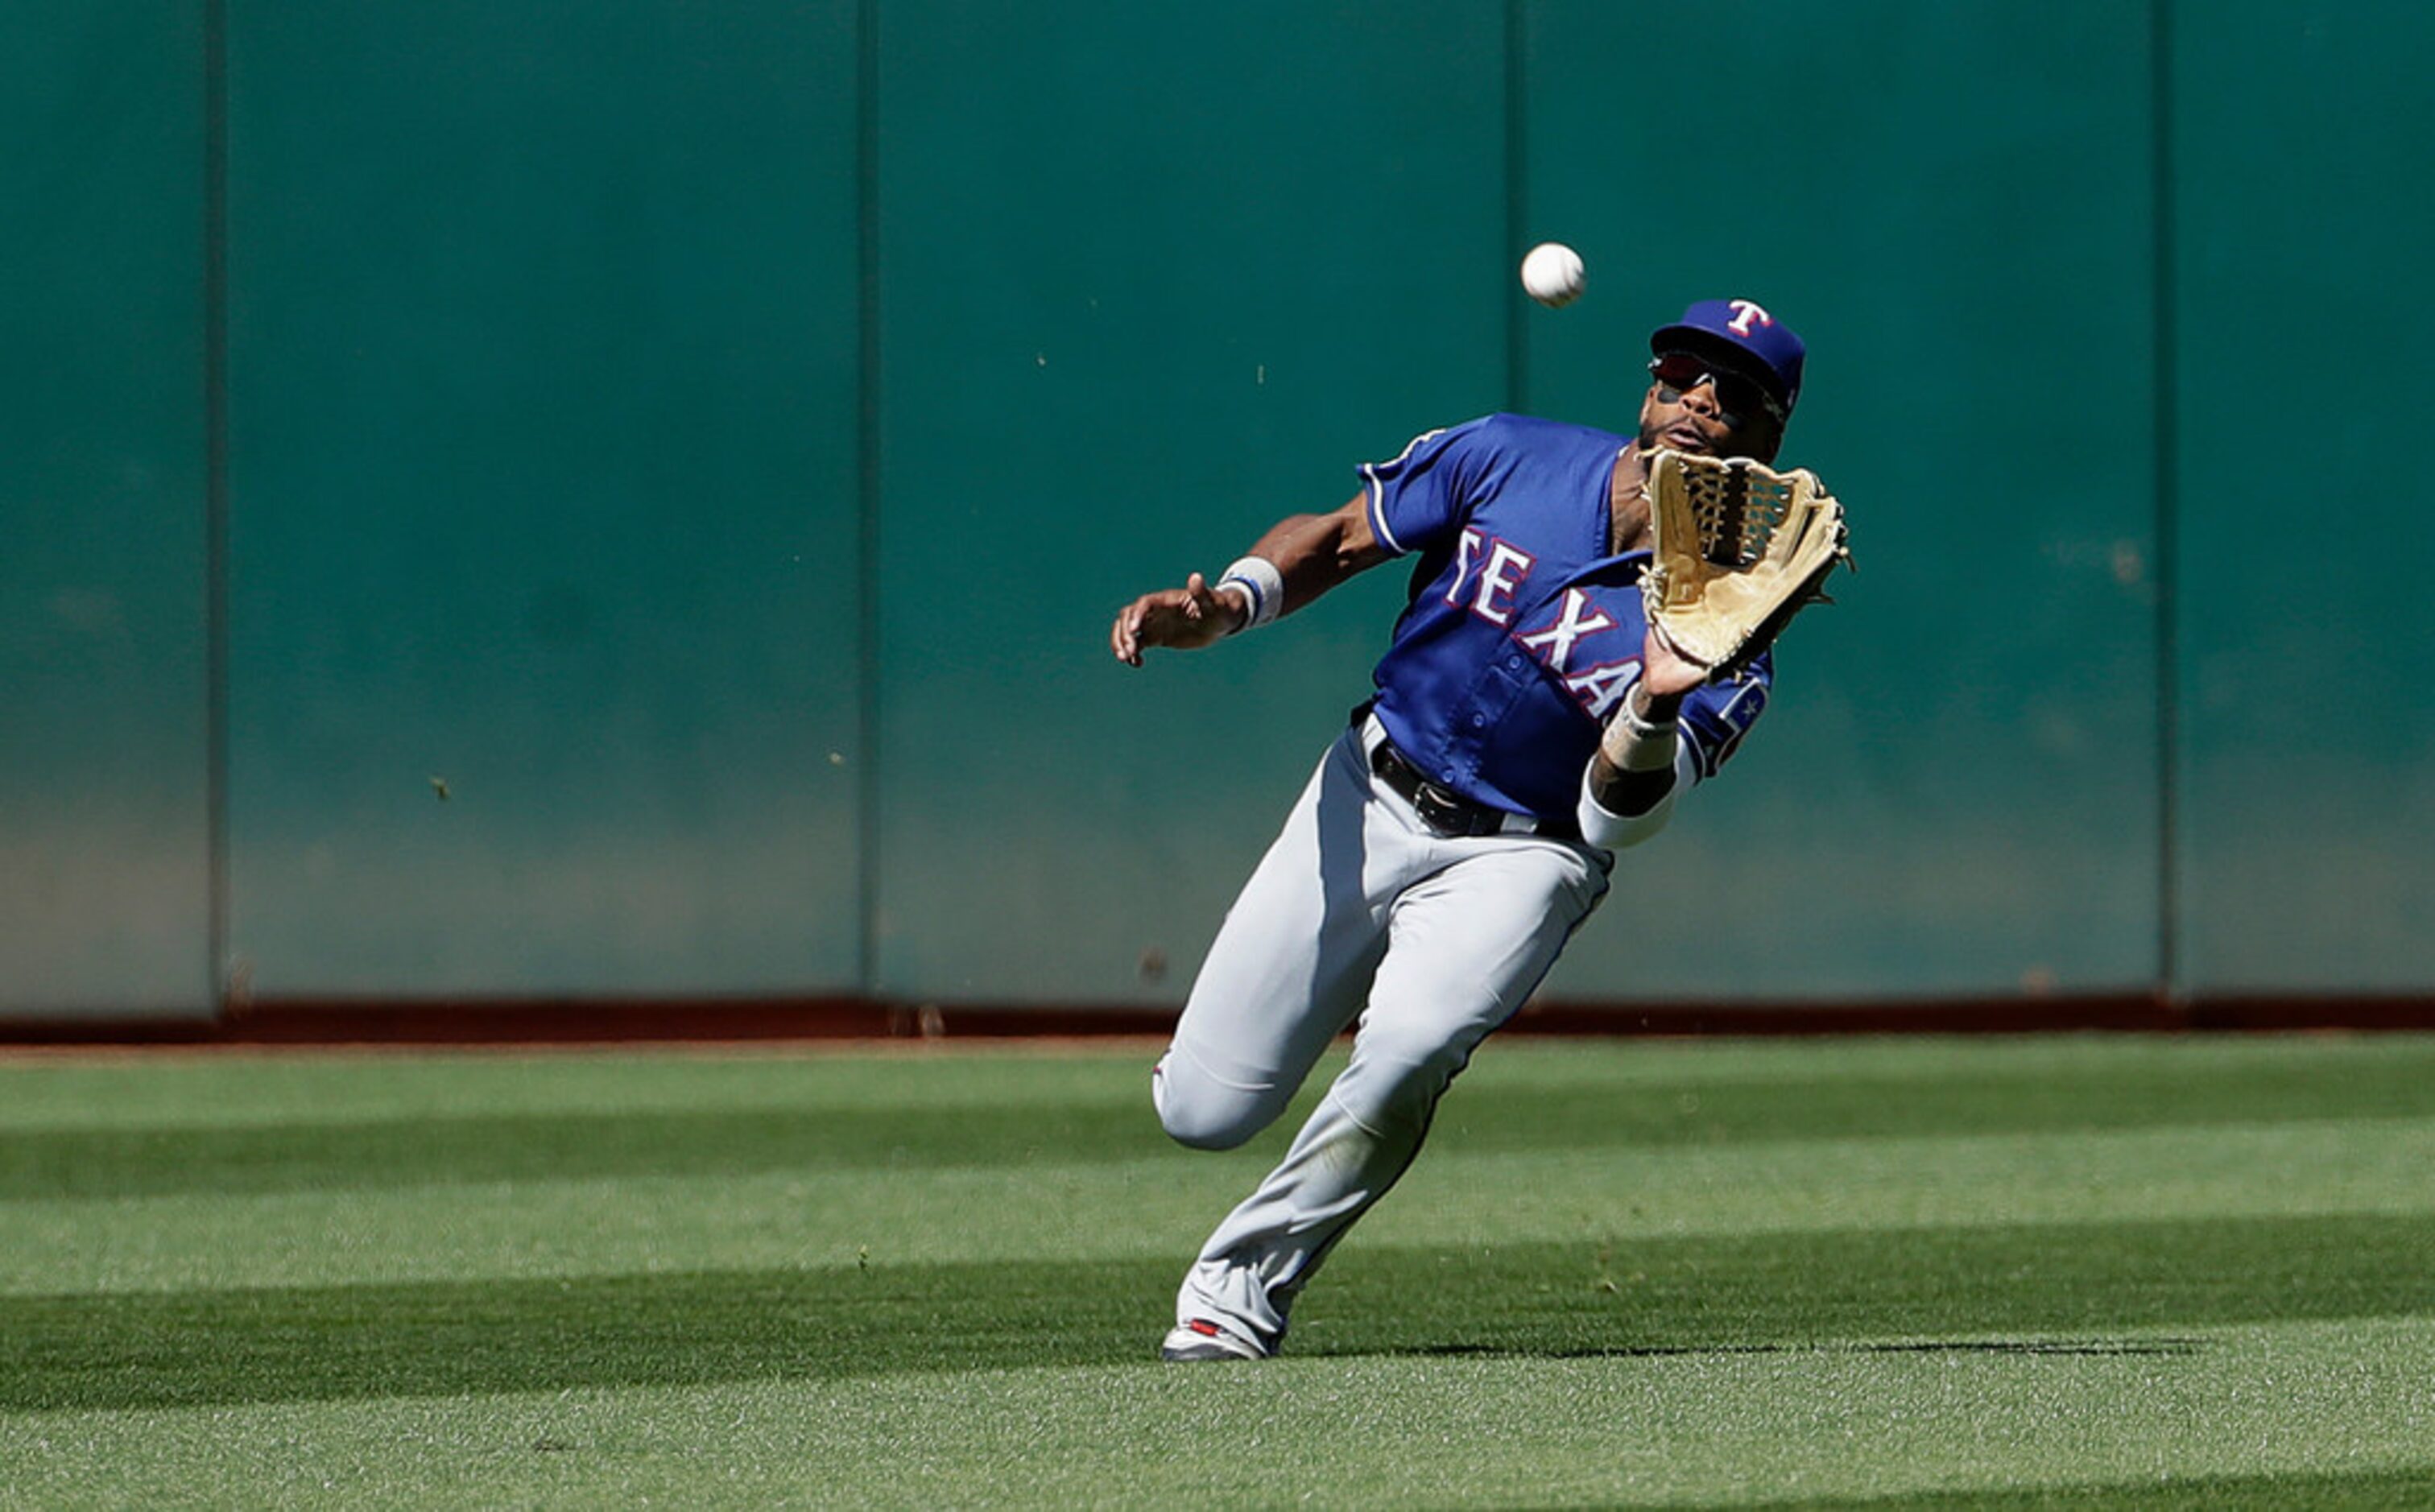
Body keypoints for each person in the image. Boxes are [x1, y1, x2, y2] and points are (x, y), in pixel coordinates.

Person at [1109, 298, 1812, 1362]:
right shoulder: (1509, 455)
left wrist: (1662, 695)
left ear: (1767, 440)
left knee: (1410, 1051)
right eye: (1682, 374)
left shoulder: (1736, 618)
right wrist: (1231, 607)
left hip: (1528, 852)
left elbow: (1617, 821)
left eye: (1734, 395)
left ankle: (1238, 1286)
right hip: (1371, 783)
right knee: (1204, 1110)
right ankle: (1220, 1077)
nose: (1699, 402)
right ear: (1650, 386)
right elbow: (1341, 537)